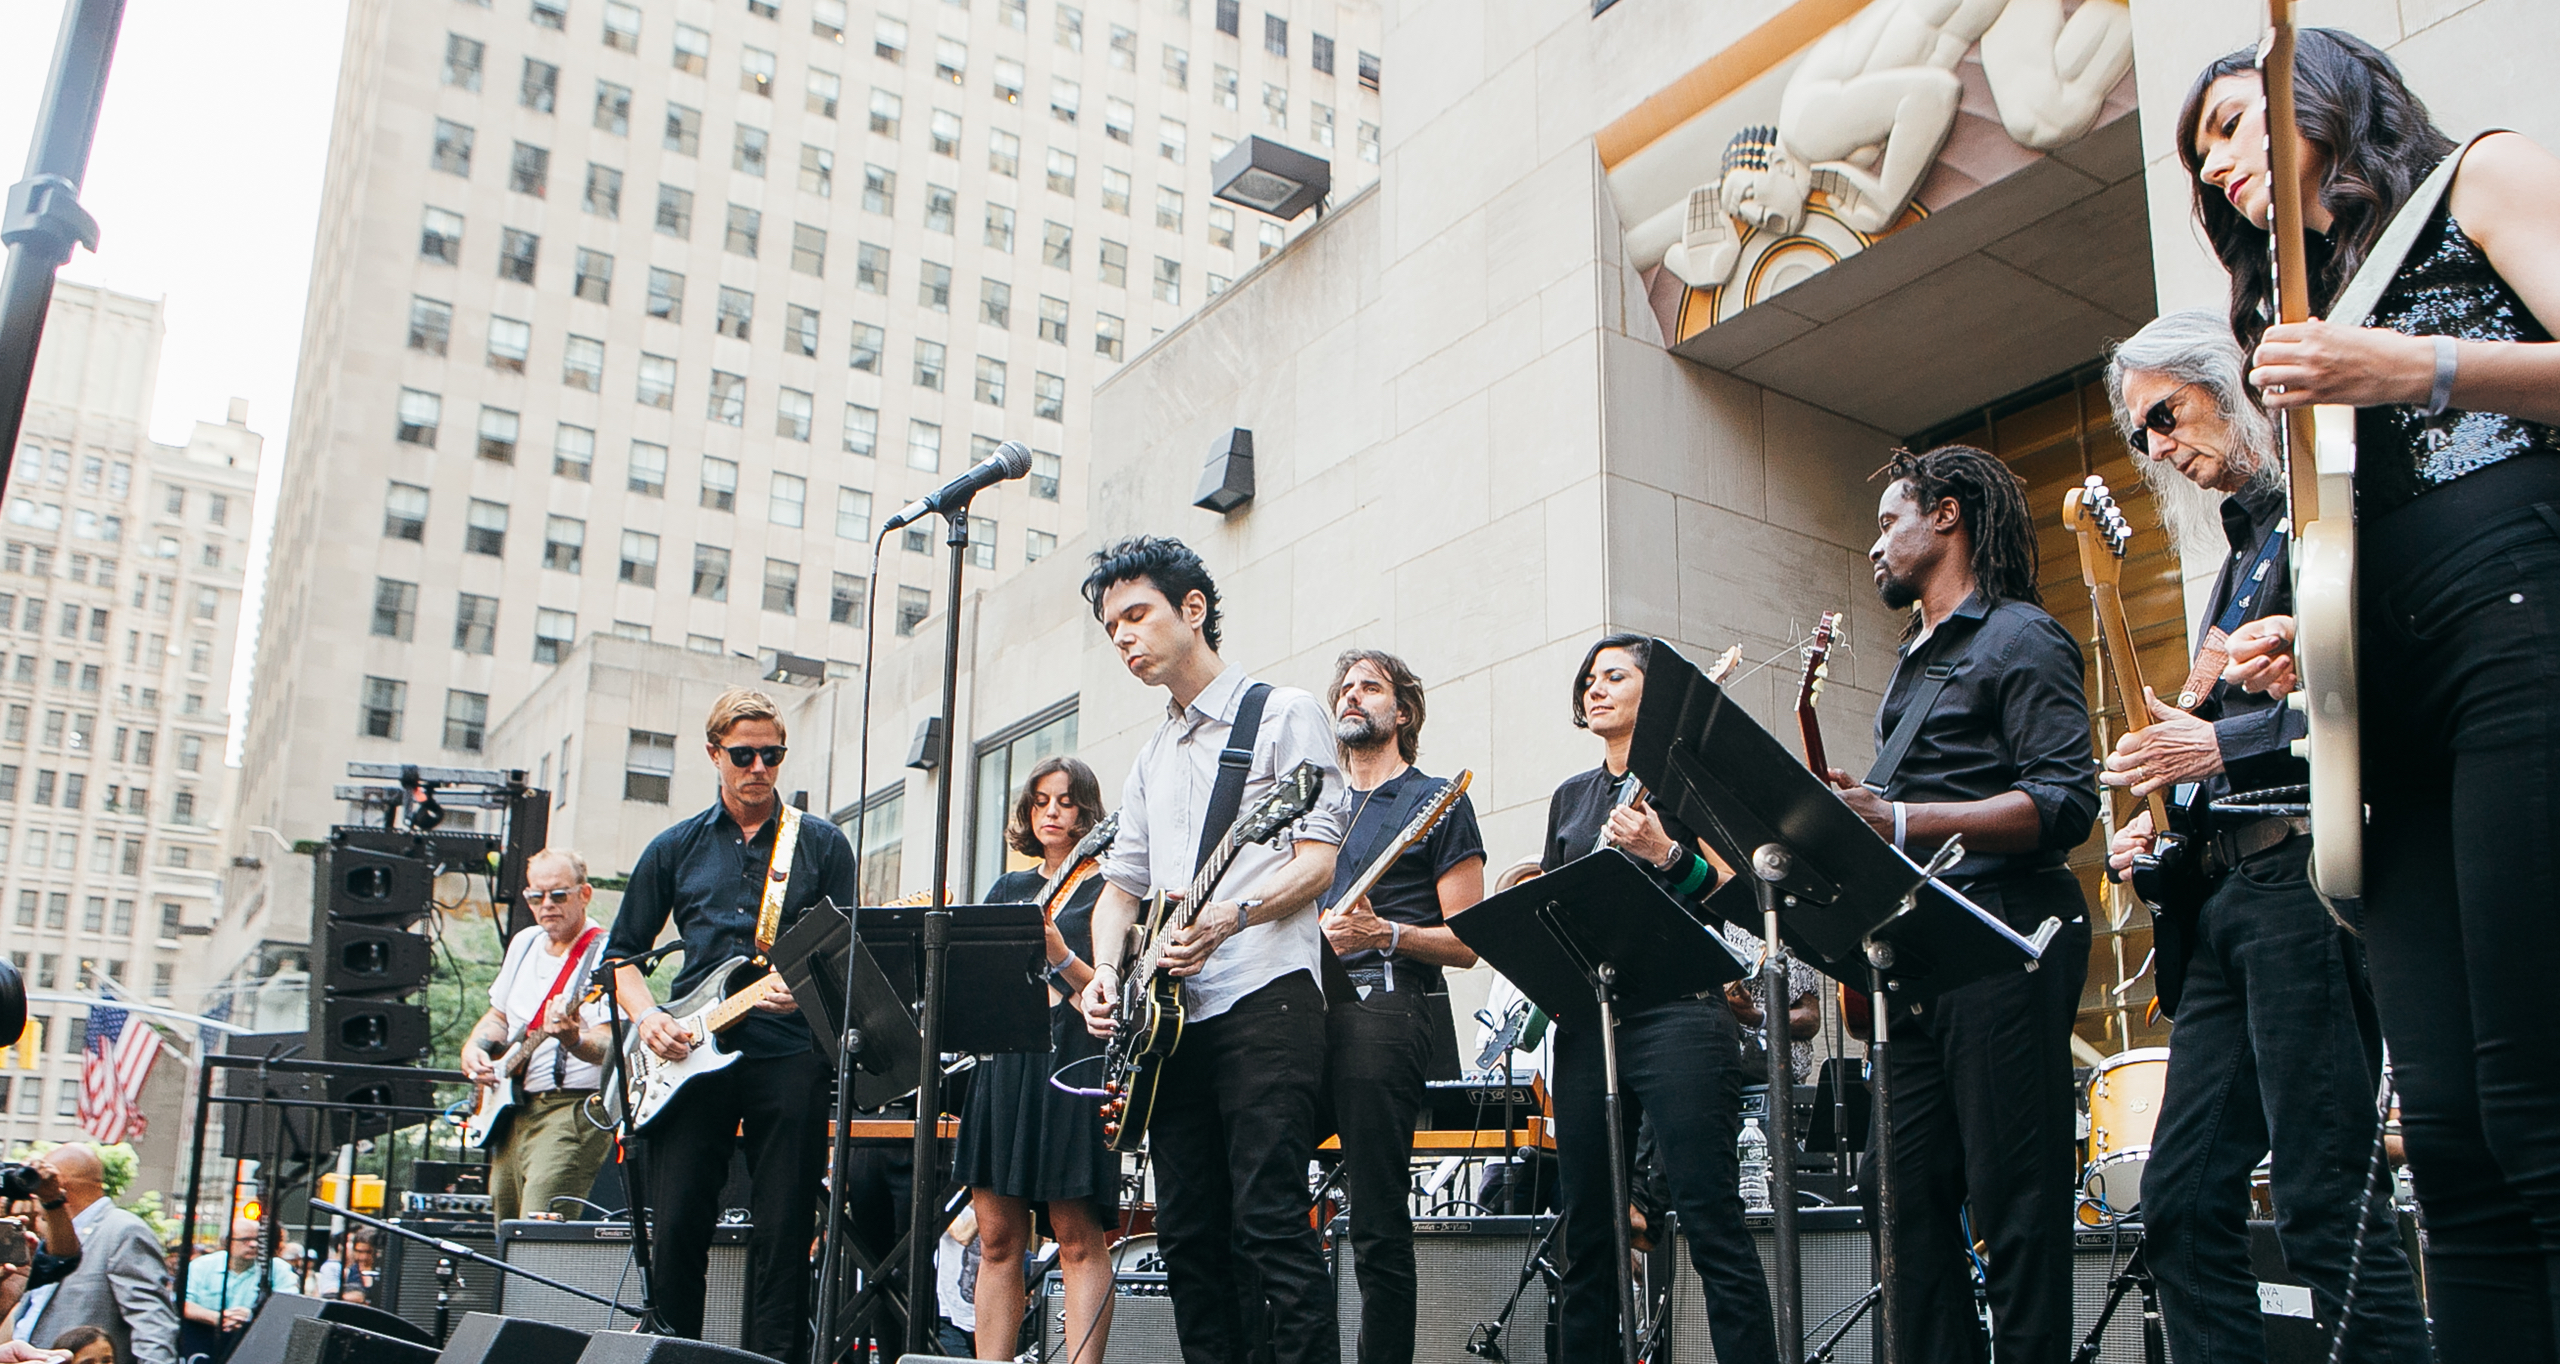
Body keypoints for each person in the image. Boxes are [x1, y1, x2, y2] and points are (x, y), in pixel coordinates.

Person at [2181, 30, 2560, 1359]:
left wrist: (2416, 367)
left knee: (2538, 1102)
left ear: (2330, 95)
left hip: (2516, 638)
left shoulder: (2477, 179)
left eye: (2231, 124)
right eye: (2201, 154)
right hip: (2378, 716)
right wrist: (2306, 630)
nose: (2218, 164)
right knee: (2447, 1138)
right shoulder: (2312, 321)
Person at [2098, 312, 2428, 1363]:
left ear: (2231, 384)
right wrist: (2164, 829)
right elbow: (2210, 747)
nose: (2155, 448)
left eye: (2164, 414)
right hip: (2223, 904)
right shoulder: (2236, 554)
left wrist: (2215, 749)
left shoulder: (2330, 509)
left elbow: (2376, 689)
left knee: (2324, 1191)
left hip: (2304, 885)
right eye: (2138, 432)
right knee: (2180, 1205)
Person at [1827, 445, 2097, 1364]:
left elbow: (2065, 802)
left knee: (2015, 1204)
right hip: (1921, 960)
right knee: (1898, 1207)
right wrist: (1861, 806)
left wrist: (1898, 814)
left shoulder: (2022, 636)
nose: (1874, 546)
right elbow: (1919, 808)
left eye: (1886, 522)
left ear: (1946, 515)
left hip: (2006, 940)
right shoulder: (1913, 663)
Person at [1074, 535, 1348, 1364]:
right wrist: (1108, 976)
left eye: (1136, 614)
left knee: (1270, 1223)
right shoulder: (1153, 752)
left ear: (1192, 609)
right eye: (1109, 625)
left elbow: (1318, 862)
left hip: (1266, 998)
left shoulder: (1285, 712)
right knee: (1189, 1237)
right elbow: (1120, 887)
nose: (1122, 637)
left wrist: (1232, 916)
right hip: (1170, 1026)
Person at [1526, 633, 1775, 1364]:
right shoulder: (1572, 797)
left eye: (1615, 675)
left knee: (1708, 1217)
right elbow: (1551, 900)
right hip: (1590, 1020)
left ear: (1654, 693)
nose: (1595, 688)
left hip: (1681, 1011)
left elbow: (1746, 900)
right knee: (1590, 1232)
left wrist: (1666, 854)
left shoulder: (1685, 782)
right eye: (1588, 680)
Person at [607, 686, 859, 1361]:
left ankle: (776, 1358)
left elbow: (845, 957)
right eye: (744, 754)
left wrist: (805, 991)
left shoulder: (823, 843)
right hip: (689, 1048)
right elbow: (621, 959)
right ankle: (674, 1353)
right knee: (681, 1221)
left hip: (787, 1050)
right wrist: (650, 1016)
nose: (758, 769)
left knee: (785, 1225)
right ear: (714, 753)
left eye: (771, 755)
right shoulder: (675, 846)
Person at [1317, 650, 1485, 1364]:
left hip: (1386, 1008)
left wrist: (1384, 931)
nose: (1353, 696)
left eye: (1371, 687)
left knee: (1376, 1218)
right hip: (1299, 1010)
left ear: (1403, 712)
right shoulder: (1313, 809)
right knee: (1254, 1194)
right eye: (1345, 688)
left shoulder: (1436, 799)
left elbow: (1471, 940)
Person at [954, 756, 1119, 1363]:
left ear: (1087, 812)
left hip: (1072, 1067)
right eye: (1041, 801)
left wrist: (1059, 955)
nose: (1052, 812)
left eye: (1067, 801)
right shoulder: (1009, 888)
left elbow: (1109, 1004)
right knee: (997, 1239)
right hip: (1004, 1067)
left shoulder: (1110, 889)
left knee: (1077, 1238)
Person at [461, 848, 616, 1224]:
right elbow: (499, 1016)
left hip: (571, 1107)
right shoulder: (525, 942)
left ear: (585, 894)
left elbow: (614, 1043)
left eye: (558, 895)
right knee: (506, 1225)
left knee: (539, 1223)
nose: (546, 905)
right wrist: (475, 1047)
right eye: (536, 896)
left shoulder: (606, 953)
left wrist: (573, 1040)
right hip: (512, 1108)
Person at [11, 1146, 174, 1364]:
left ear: (61, 1185)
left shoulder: (122, 1230)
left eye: (40, 1182)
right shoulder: (54, 1230)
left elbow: (152, 1322)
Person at [179, 1221, 293, 1345]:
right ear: (228, 1242)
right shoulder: (201, 1265)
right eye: (245, 1239)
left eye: (258, 1239)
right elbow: (183, 1303)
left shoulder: (278, 1269)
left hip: (255, 1342)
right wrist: (217, 1318)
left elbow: (288, 1306)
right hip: (203, 1338)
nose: (254, 1244)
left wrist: (253, 1316)